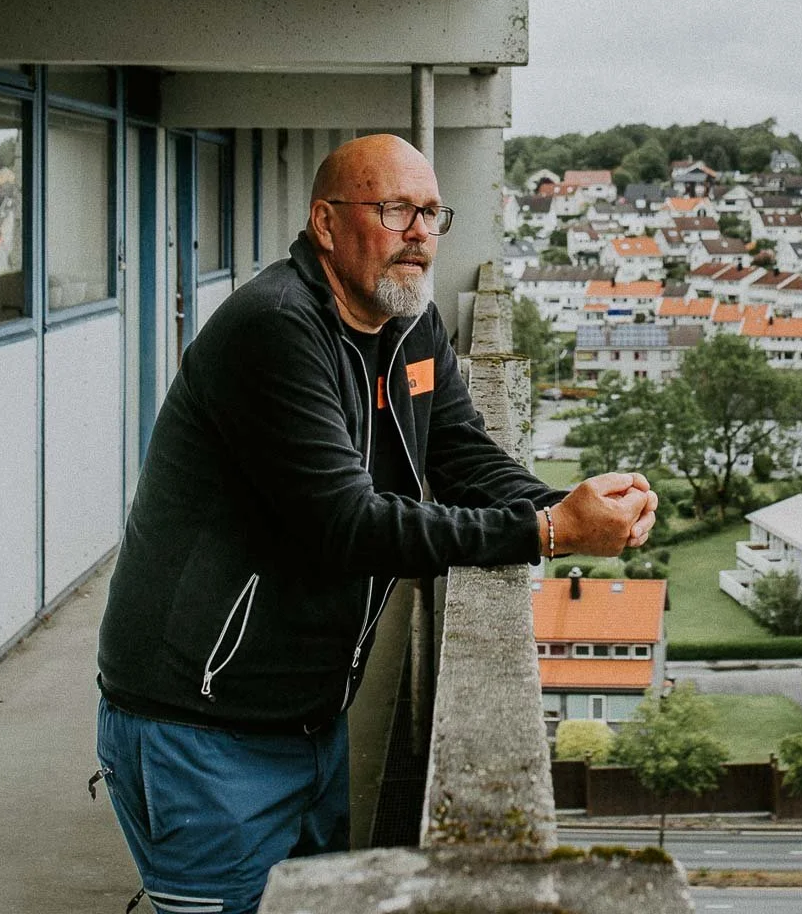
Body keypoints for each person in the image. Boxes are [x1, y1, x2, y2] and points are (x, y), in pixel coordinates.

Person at [95, 134, 654, 914]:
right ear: (326, 223)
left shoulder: (405, 323)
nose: (420, 233)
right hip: (202, 727)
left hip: (308, 718)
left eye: (431, 213)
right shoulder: (276, 329)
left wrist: (566, 505)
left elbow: (463, 455)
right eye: (396, 210)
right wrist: (547, 536)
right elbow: (347, 523)